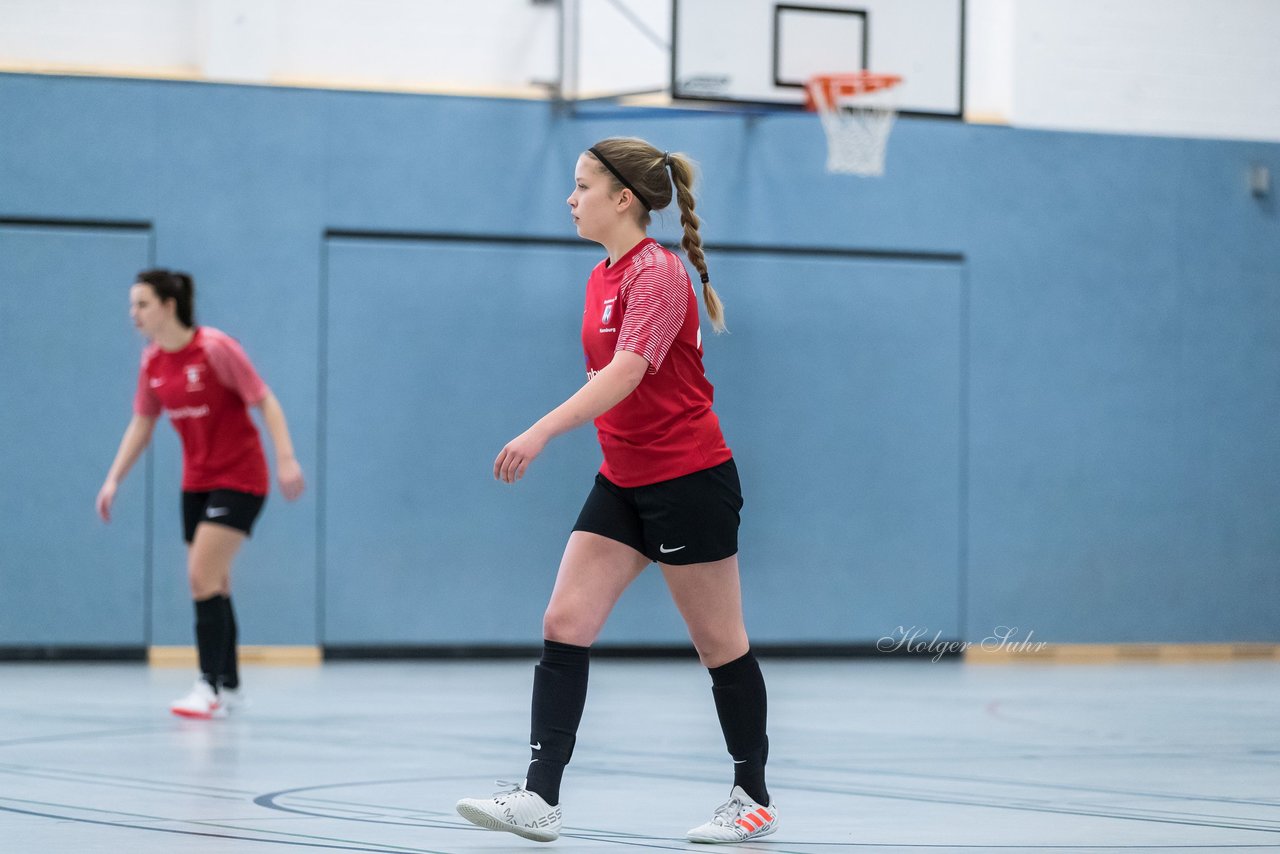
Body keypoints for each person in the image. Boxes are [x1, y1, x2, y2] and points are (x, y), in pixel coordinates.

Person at [456, 138, 776, 844]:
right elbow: (612, 382)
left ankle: (751, 796)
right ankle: (540, 797)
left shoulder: (658, 275)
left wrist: (539, 432)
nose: (571, 200)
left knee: (719, 644)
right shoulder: (601, 276)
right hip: (624, 479)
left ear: (623, 197)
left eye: (582, 187)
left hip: (689, 480)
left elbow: (627, 372)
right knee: (564, 623)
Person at [96, 269, 305, 719]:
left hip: (241, 477)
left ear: (169, 306)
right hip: (196, 482)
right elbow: (142, 423)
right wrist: (114, 478)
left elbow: (265, 400)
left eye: (142, 304)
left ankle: (207, 686)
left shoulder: (214, 348)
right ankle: (229, 687)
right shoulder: (152, 362)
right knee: (215, 582)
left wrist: (286, 459)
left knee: (199, 577)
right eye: (132, 305)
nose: (133, 314)